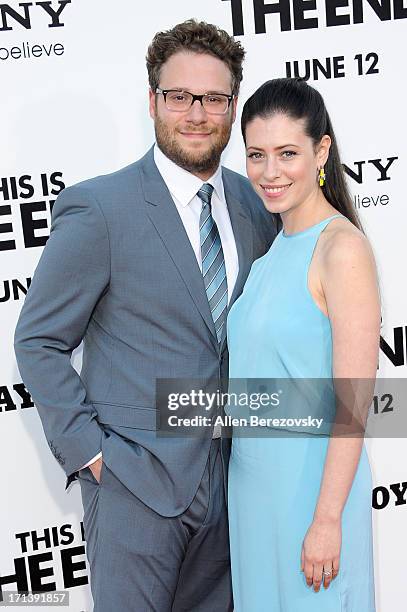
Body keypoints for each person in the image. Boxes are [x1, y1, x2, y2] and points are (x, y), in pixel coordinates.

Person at [13, 19, 278, 612]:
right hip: (136, 484)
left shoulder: (256, 205)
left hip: (236, 487)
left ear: (233, 107)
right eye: (179, 96)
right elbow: (38, 339)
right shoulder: (101, 207)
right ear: (153, 100)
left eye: (213, 98)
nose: (197, 113)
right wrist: (92, 454)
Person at [226, 78, 380, 611]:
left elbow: (354, 402)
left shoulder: (342, 250)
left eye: (287, 153)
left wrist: (327, 520)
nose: (270, 173)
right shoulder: (271, 255)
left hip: (312, 497)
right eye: (256, 155)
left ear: (321, 150)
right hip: (253, 495)